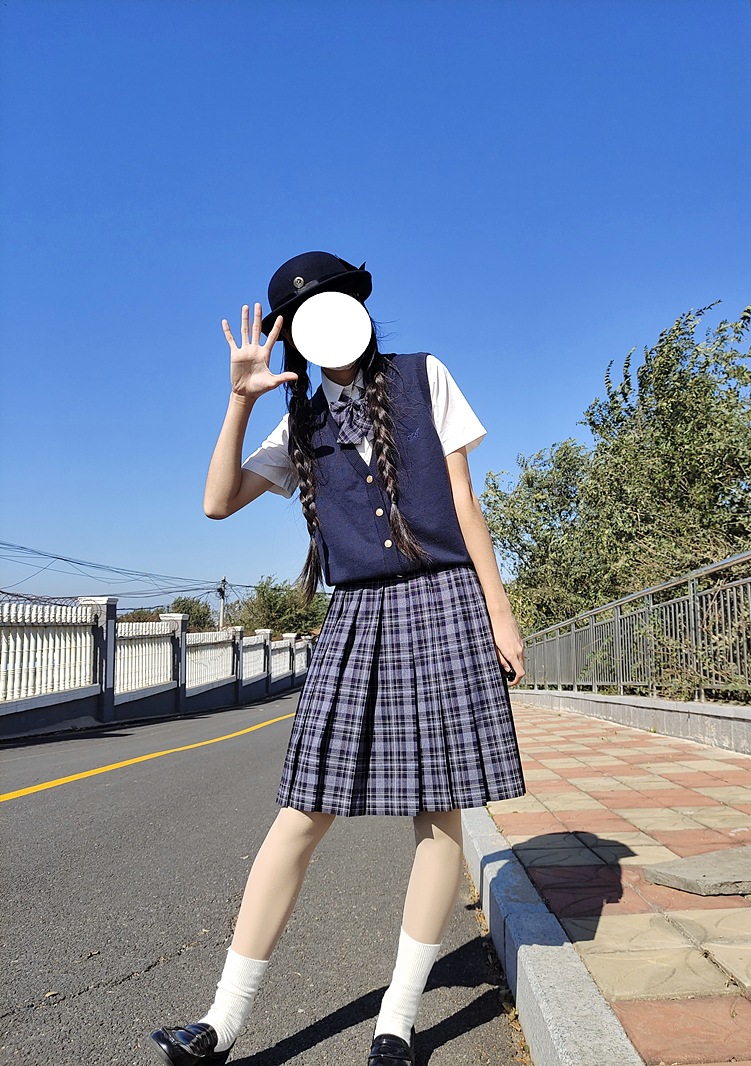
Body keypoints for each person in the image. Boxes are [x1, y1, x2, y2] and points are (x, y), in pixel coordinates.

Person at [148, 251, 526, 1066]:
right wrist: (239, 401)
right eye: (303, 316)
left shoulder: (425, 377)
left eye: (334, 302)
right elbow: (216, 503)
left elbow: (465, 503)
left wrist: (502, 617)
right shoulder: (301, 425)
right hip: (355, 617)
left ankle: (397, 1019)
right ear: (293, 338)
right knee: (301, 812)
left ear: (357, 308)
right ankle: (221, 1021)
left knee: (439, 814)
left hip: (444, 602)